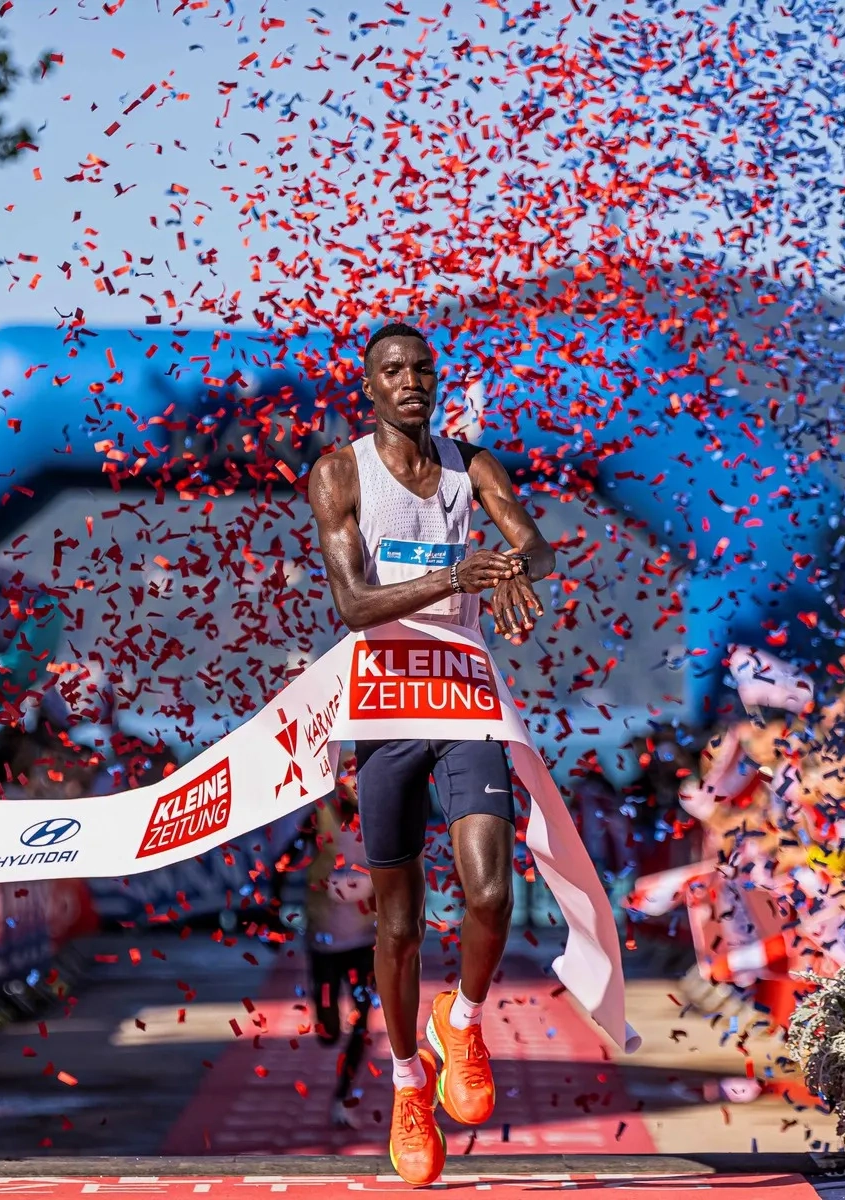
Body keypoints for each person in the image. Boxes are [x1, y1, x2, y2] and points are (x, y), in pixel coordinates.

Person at [308, 322, 557, 1185]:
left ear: (435, 380)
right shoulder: (341, 473)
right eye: (391, 371)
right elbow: (355, 604)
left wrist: (515, 564)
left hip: (463, 695)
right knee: (401, 924)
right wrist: (459, 574)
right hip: (383, 706)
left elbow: (535, 541)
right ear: (368, 388)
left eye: (421, 368)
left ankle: (468, 1019)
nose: (409, 380)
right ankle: (410, 1083)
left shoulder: (471, 466)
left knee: (491, 893)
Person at [304, 750, 377, 1129]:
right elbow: (286, 860)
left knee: (363, 1023)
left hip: (366, 942)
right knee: (330, 1032)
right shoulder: (318, 817)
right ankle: (327, 1023)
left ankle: (343, 1094)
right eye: (349, 779)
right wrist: (270, 905)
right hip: (324, 942)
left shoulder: (380, 822)